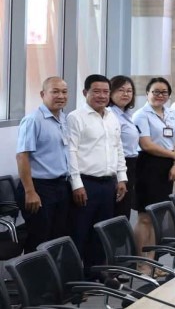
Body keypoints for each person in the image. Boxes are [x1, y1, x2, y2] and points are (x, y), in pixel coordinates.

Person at [67, 74, 128, 268]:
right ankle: (74, 279)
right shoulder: (75, 117)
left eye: (105, 92)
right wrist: (76, 184)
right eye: (96, 91)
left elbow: (118, 148)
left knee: (100, 233)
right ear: (85, 92)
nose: (101, 96)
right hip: (86, 184)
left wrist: (122, 178)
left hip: (108, 184)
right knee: (79, 233)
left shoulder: (112, 116)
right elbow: (71, 152)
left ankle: (94, 276)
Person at [15, 77, 72, 252]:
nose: (61, 96)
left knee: (57, 238)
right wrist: (30, 191)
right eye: (55, 91)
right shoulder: (33, 120)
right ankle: (32, 271)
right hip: (39, 187)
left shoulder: (63, 119)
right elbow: (22, 156)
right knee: (38, 238)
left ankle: (51, 271)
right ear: (42, 94)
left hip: (60, 185)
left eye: (64, 92)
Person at [132, 77, 175, 263]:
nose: (160, 95)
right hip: (148, 166)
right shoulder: (141, 115)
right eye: (155, 92)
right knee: (145, 217)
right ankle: (140, 262)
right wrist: (174, 156)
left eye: (164, 92)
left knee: (158, 217)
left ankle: (152, 262)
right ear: (147, 93)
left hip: (168, 168)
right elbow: (146, 145)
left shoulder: (172, 114)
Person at [109, 75, 139, 219]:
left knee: (125, 209)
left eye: (129, 90)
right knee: (119, 210)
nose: (126, 94)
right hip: (118, 165)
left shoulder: (126, 114)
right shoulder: (110, 114)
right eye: (121, 90)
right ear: (111, 92)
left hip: (131, 165)